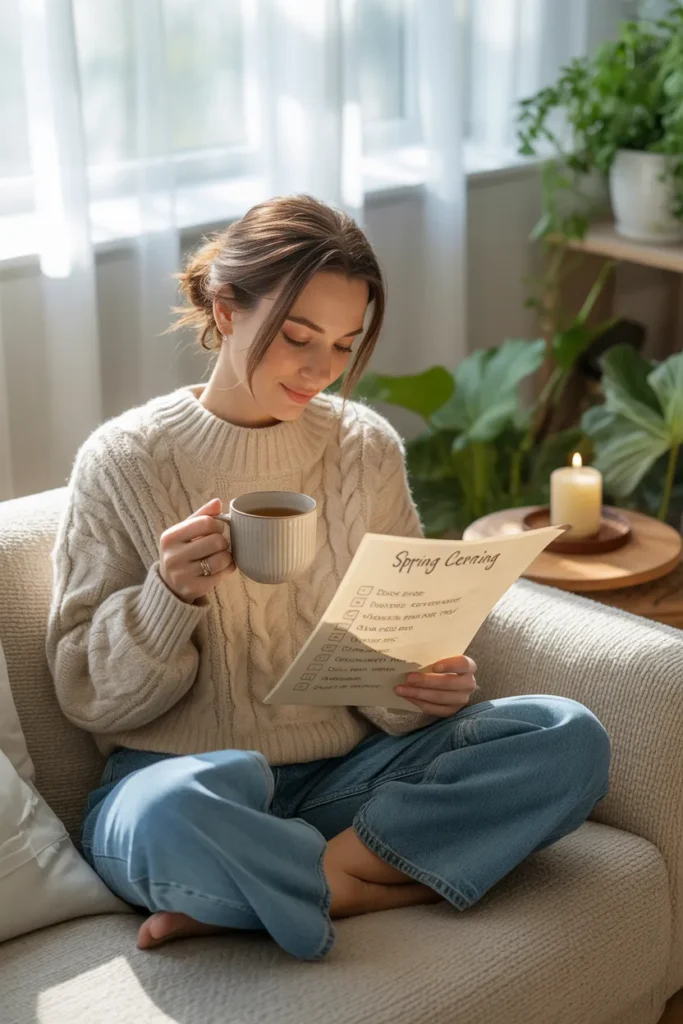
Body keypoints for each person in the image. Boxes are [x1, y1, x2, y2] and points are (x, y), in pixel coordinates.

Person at [46, 194, 611, 962]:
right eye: (298, 336)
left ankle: (318, 887)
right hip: (181, 782)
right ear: (225, 307)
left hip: (346, 779)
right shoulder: (122, 460)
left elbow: (396, 643)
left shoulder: (362, 446)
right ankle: (391, 875)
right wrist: (167, 596)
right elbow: (87, 695)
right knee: (166, 819)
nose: (321, 370)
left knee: (566, 736)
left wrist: (422, 686)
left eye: (345, 345)